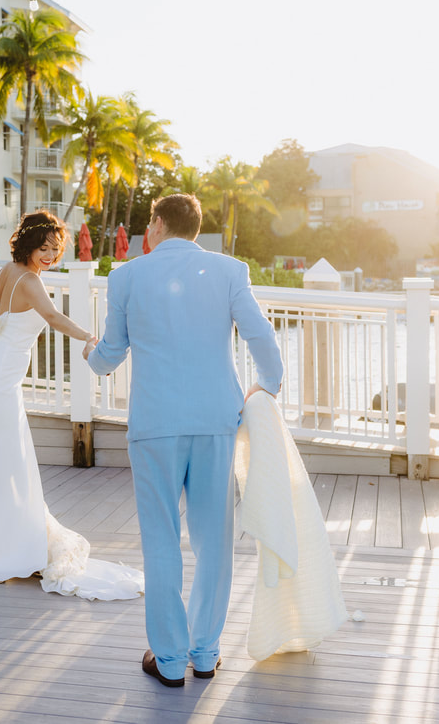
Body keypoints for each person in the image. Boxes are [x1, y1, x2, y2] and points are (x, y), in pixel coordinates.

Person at [84, 194, 284, 686]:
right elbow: (261, 335)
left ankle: (170, 661)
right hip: (217, 417)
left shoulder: (127, 276)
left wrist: (92, 353)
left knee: (160, 540)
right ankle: (206, 653)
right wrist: (269, 384)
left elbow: (109, 355)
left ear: (155, 224)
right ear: (195, 229)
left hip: (155, 424)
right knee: (215, 542)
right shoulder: (230, 271)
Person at [0, 210, 144, 601]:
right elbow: (53, 317)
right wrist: (89, 336)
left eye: (55, 249)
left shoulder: (5, 272)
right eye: (44, 247)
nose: (49, 255)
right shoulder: (28, 280)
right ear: (28, 243)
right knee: (6, 460)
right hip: (1, 380)